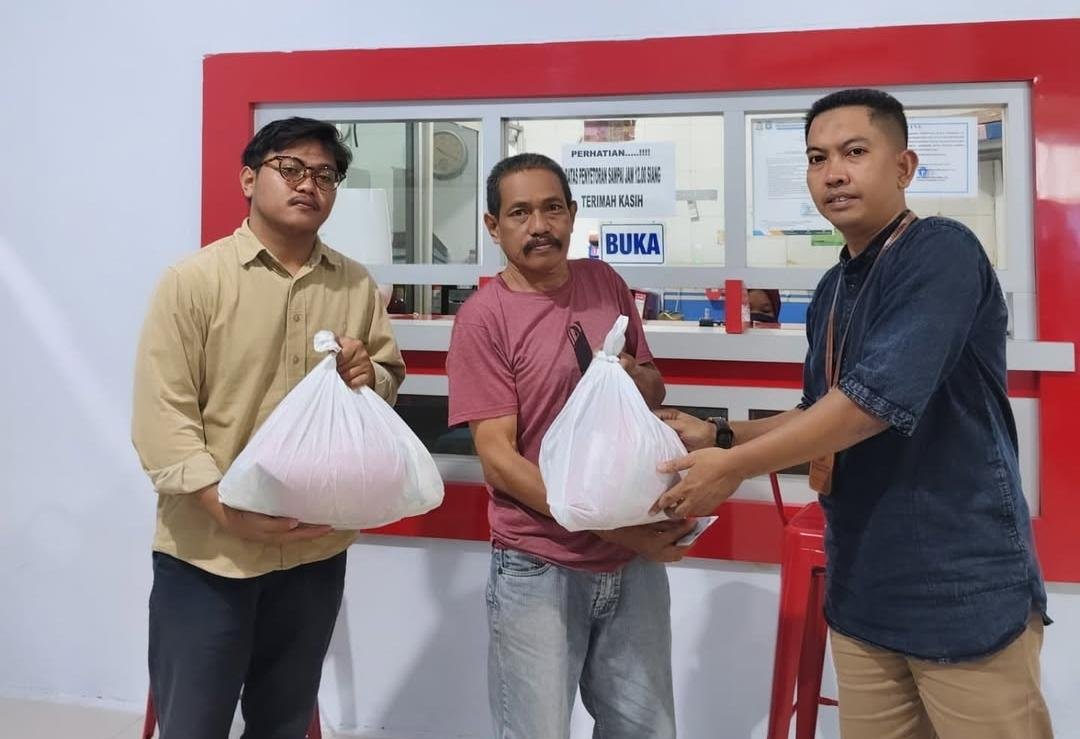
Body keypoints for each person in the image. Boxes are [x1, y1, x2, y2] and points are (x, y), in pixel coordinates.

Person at [654, 89, 1052, 739]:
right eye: (817, 158)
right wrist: (720, 433)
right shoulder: (834, 287)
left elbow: (870, 406)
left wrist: (734, 466)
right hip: (864, 590)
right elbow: (823, 411)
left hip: (961, 588)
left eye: (854, 152)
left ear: (904, 167)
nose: (833, 172)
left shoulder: (940, 251)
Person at [131, 117, 406, 739]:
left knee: (283, 721)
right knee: (193, 724)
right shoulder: (194, 282)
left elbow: (387, 377)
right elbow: (163, 415)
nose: (309, 184)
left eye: (325, 174)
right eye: (291, 168)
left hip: (313, 549)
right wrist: (221, 507)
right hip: (208, 553)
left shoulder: (355, 284)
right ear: (249, 179)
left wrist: (371, 374)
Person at [446, 153, 695, 738]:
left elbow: (654, 386)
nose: (540, 226)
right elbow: (500, 460)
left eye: (552, 209)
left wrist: (634, 377)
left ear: (573, 214)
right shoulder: (484, 319)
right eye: (520, 213)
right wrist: (614, 530)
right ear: (493, 226)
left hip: (632, 565)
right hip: (539, 564)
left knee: (646, 730)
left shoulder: (604, 283)